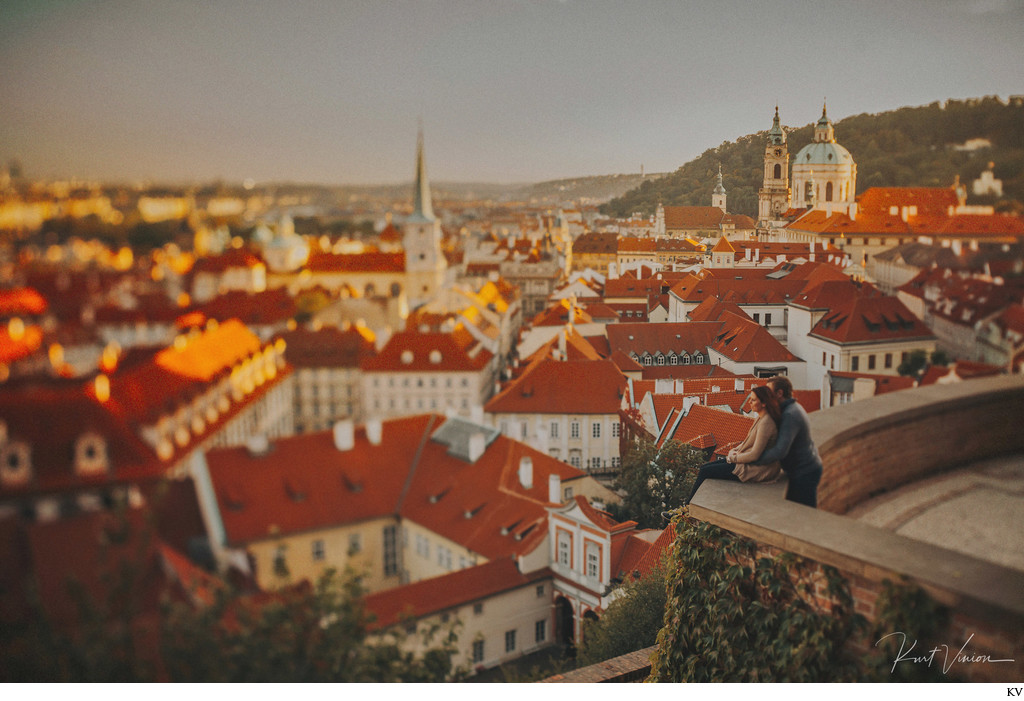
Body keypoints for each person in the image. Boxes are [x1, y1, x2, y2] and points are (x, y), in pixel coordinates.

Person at [681, 385, 783, 506]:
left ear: (764, 403)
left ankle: (685, 510)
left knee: (705, 472)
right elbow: (748, 442)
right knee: (705, 467)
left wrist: (732, 458)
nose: (749, 402)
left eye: (753, 399)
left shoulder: (767, 422)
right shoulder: (761, 418)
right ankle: (685, 508)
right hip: (746, 461)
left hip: (757, 468)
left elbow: (755, 455)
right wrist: (735, 450)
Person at [747, 375, 823, 508]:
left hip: (804, 472)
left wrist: (753, 459)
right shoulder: (791, 409)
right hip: (804, 468)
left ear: (779, 393)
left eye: (769, 392)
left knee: (803, 514)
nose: (766, 396)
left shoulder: (789, 414)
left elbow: (779, 451)